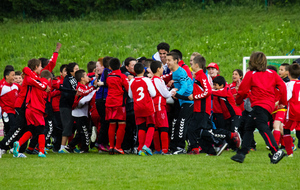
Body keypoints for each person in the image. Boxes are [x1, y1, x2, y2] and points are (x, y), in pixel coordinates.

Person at [231, 51, 287, 164]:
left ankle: (276, 151)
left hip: (259, 105)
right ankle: (241, 154)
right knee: (248, 127)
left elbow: (242, 91)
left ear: (252, 61)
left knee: (262, 127)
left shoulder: (251, 74)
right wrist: (283, 102)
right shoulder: (272, 73)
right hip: (269, 105)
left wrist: (238, 101)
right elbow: (283, 87)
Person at [13, 70, 52, 158]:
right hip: (37, 109)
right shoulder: (44, 82)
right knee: (41, 129)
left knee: (32, 130)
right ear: (49, 79)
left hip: (29, 108)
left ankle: (18, 143)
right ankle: (41, 151)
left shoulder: (34, 81)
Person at [167, 52, 194, 154]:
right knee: (178, 123)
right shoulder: (174, 72)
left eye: (169, 60)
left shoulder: (180, 72)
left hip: (188, 101)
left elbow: (185, 86)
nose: (167, 62)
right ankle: (176, 146)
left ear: (176, 61)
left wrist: (177, 94)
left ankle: (181, 147)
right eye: (167, 60)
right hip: (182, 101)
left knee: (181, 123)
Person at [64, 69, 96, 153]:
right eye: (86, 76)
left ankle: (70, 146)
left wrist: (94, 78)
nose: (87, 77)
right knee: (84, 132)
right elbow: (85, 93)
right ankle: (84, 148)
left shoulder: (85, 86)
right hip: (78, 114)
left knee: (82, 132)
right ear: (82, 78)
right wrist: (94, 88)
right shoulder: (79, 87)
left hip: (83, 113)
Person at [129, 63, 157, 156]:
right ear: (144, 71)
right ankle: (146, 145)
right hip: (147, 106)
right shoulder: (147, 80)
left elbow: (130, 95)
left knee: (141, 127)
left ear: (134, 72)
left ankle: (140, 148)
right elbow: (153, 93)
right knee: (151, 125)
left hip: (137, 107)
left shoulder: (132, 81)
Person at [105, 58, 129, 155]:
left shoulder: (108, 76)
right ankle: (118, 147)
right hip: (119, 102)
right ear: (120, 65)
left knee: (112, 124)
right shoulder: (122, 76)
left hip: (109, 102)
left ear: (110, 67)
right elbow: (128, 88)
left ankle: (111, 146)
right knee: (122, 124)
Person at [150, 61, 174, 155]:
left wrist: (167, 87)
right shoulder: (159, 80)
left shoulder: (152, 80)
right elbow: (165, 94)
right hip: (160, 106)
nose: (163, 69)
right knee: (164, 127)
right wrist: (172, 91)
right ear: (158, 69)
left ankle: (158, 149)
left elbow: (159, 91)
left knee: (156, 128)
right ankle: (165, 150)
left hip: (154, 106)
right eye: (162, 67)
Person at [58, 62, 79, 153]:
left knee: (72, 126)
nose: (78, 71)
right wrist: (74, 95)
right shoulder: (67, 80)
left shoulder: (75, 79)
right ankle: (62, 147)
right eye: (76, 69)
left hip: (72, 106)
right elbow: (67, 93)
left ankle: (70, 146)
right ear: (71, 71)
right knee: (67, 125)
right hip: (66, 106)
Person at [95, 56, 112, 152]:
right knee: (105, 121)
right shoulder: (107, 71)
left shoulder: (107, 72)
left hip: (104, 98)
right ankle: (100, 142)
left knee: (107, 121)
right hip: (102, 99)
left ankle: (104, 143)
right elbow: (107, 82)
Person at [283, 63, 300, 157]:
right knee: (299, 133)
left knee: (286, 130)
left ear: (288, 74)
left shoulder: (288, 84)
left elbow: (287, 97)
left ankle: (289, 153)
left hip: (293, 112)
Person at [50, 64, 67, 152]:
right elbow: (50, 94)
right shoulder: (56, 81)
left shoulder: (71, 81)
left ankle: (63, 146)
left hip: (67, 107)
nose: (66, 73)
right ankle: (56, 146)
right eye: (65, 71)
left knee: (66, 127)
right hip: (57, 108)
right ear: (61, 72)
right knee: (58, 127)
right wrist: (59, 91)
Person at [0, 69, 20, 139]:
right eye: (13, 75)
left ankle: (7, 145)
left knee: (12, 128)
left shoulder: (16, 86)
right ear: (7, 76)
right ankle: (4, 145)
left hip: (15, 111)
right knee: (13, 127)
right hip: (7, 111)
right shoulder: (2, 87)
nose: (14, 77)